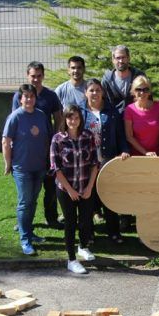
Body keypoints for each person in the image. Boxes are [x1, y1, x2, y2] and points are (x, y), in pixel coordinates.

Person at [11, 61, 63, 229]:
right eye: (33, 76)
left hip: (47, 148)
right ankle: (25, 222)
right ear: (28, 76)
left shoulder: (50, 96)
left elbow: (58, 118)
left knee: (50, 186)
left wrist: (55, 141)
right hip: (26, 151)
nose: (36, 79)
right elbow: (15, 120)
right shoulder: (20, 95)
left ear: (43, 76)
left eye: (39, 76)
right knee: (27, 192)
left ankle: (51, 217)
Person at [2, 84, 51, 256]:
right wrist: (7, 163)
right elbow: (6, 142)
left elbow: (46, 139)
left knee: (33, 201)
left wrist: (47, 161)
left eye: (32, 96)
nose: (29, 99)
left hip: (39, 167)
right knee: (24, 202)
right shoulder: (15, 117)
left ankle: (29, 232)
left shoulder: (41, 115)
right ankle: (25, 240)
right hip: (22, 168)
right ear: (20, 99)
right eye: (26, 96)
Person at [51, 105, 100, 275]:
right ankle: (71, 259)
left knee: (86, 220)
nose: (73, 121)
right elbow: (56, 168)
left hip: (86, 186)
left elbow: (95, 163)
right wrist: (70, 190)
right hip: (66, 189)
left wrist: (89, 187)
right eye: (70, 118)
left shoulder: (88, 136)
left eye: (77, 118)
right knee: (70, 223)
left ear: (81, 119)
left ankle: (83, 246)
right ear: (65, 119)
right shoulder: (58, 139)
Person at [82, 78, 127, 243]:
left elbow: (120, 135)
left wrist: (124, 150)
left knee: (109, 197)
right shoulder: (80, 112)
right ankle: (89, 233)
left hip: (108, 160)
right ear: (85, 93)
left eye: (98, 90)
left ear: (102, 92)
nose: (95, 93)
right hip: (87, 163)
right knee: (88, 199)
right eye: (91, 90)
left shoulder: (112, 111)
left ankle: (114, 232)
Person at [123, 75, 159, 156]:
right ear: (133, 92)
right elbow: (129, 136)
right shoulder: (129, 109)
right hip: (136, 157)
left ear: (149, 92)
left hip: (157, 155)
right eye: (138, 89)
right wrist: (146, 152)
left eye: (145, 89)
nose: (142, 93)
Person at [102, 45, 146, 114]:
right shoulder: (107, 80)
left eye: (123, 57)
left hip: (136, 117)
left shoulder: (139, 77)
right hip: (115, 120)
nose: (121, 61)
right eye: (118, 58)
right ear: (113, 60)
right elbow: (103, 103)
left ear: (128, 58)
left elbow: (148, 98)